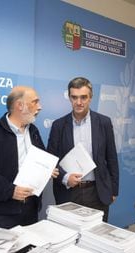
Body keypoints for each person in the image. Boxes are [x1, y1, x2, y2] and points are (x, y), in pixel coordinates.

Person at [0, 86, 58, 229]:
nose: (40, 107)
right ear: (20, 105)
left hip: (32, 207)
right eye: (35, 102)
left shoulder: (33, 131)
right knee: (9, 251)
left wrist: (47, 170)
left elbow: (41, 158)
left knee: (30, 250)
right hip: (5, 211)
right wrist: (10, 191)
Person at [47, 77, 119, 222]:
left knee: (97, 236)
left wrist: (113, 190)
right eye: (74, 97)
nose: (78, 102)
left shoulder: (104, 122)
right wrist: (66, 178)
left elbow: (111, 158)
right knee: (69, 235)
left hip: (98, 192)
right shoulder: (58, 125)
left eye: (83, 97)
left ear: (91, 98)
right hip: (68, 192)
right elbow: (51, 160)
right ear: (69, 98)